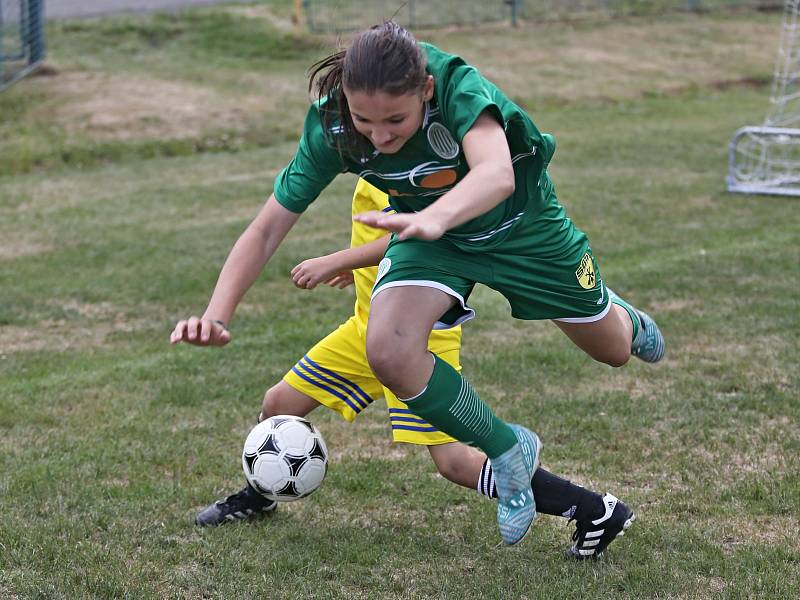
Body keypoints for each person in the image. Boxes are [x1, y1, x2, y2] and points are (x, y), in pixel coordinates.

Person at [170, 22, 664, 546]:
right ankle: (507, 447)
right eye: (365, 119)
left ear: (424, 91)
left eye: (395, 121)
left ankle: (623, 319)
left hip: (523, 231)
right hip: (432, 240)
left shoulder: (455, 85)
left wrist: (438, 215)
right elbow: (268, 226)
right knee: (385, 348)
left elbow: (497, 173)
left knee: (611, 350)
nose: (378, 136)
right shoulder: (334, 127)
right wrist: (217, 313)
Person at [193, 179, 635, 559]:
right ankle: (261, 493)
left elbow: (418, 236)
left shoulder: (411, 163)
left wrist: (340, 259)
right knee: (278, 405)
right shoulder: (367, 152)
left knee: (456, 463)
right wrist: (362, 263)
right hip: (364, 328)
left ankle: (594, 509)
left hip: (418, 339)